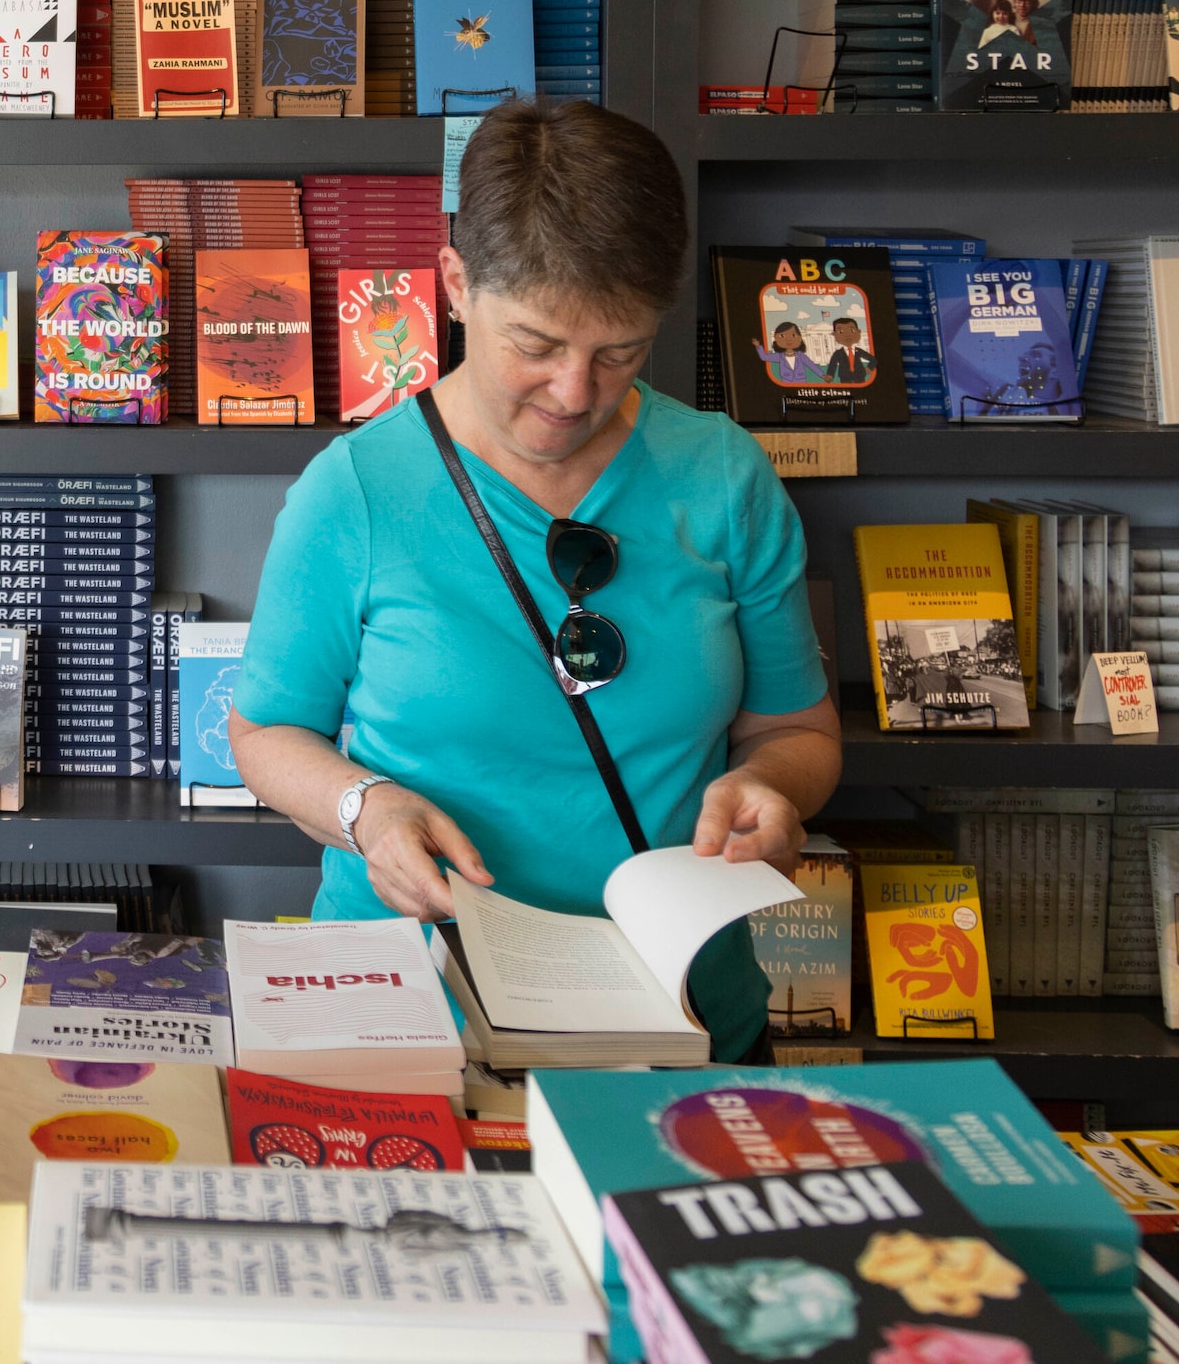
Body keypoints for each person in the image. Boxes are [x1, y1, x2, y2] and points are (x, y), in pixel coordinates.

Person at [230, 99, 842, 1063]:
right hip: (412, 1012)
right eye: (537, 346)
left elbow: (797, 731)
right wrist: (365, 810)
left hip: (679, 1012)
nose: (575, 395)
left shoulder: (722, 476)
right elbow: (265, 730)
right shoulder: (354, 491)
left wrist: (769, 789)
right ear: (457, 283)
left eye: (621, 352)